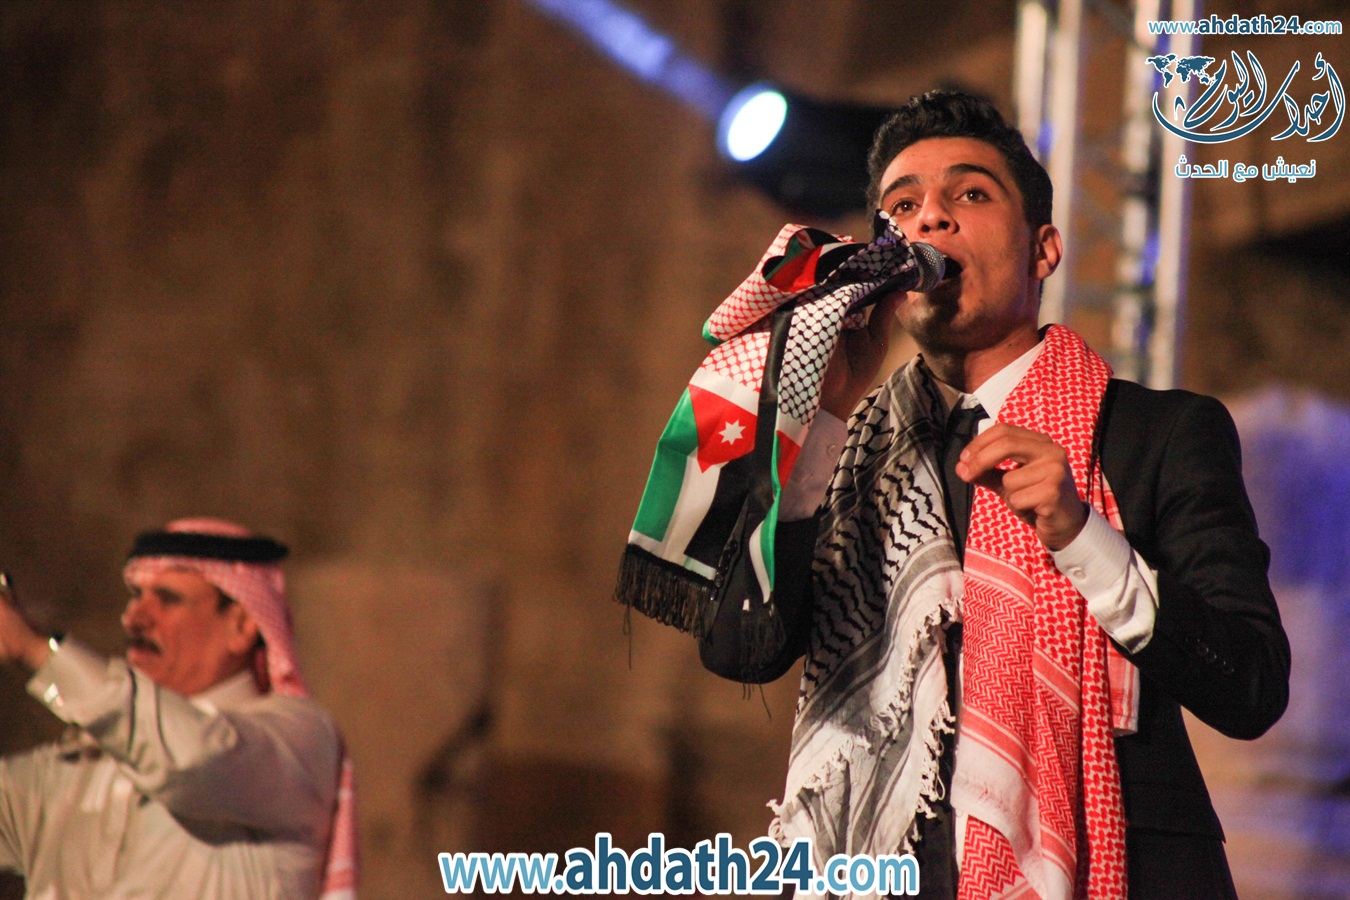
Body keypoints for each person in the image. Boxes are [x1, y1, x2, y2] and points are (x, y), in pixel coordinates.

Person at [699, 91, 1289, 899]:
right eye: (902, 207)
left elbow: (1251, 685)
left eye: (970, 194)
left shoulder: (1160, 433)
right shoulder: (846, 449)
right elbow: (741, 650)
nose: (930, 219)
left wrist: (1083, 537)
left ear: (1044, 249)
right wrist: (824, 415)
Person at [0, 518, 358, 899]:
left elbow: (193, 758)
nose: (134, 619)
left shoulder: (294, 739)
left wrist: (36, 649)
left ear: (241, 626)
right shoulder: (74, 768)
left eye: (168, 599)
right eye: (137, 596)